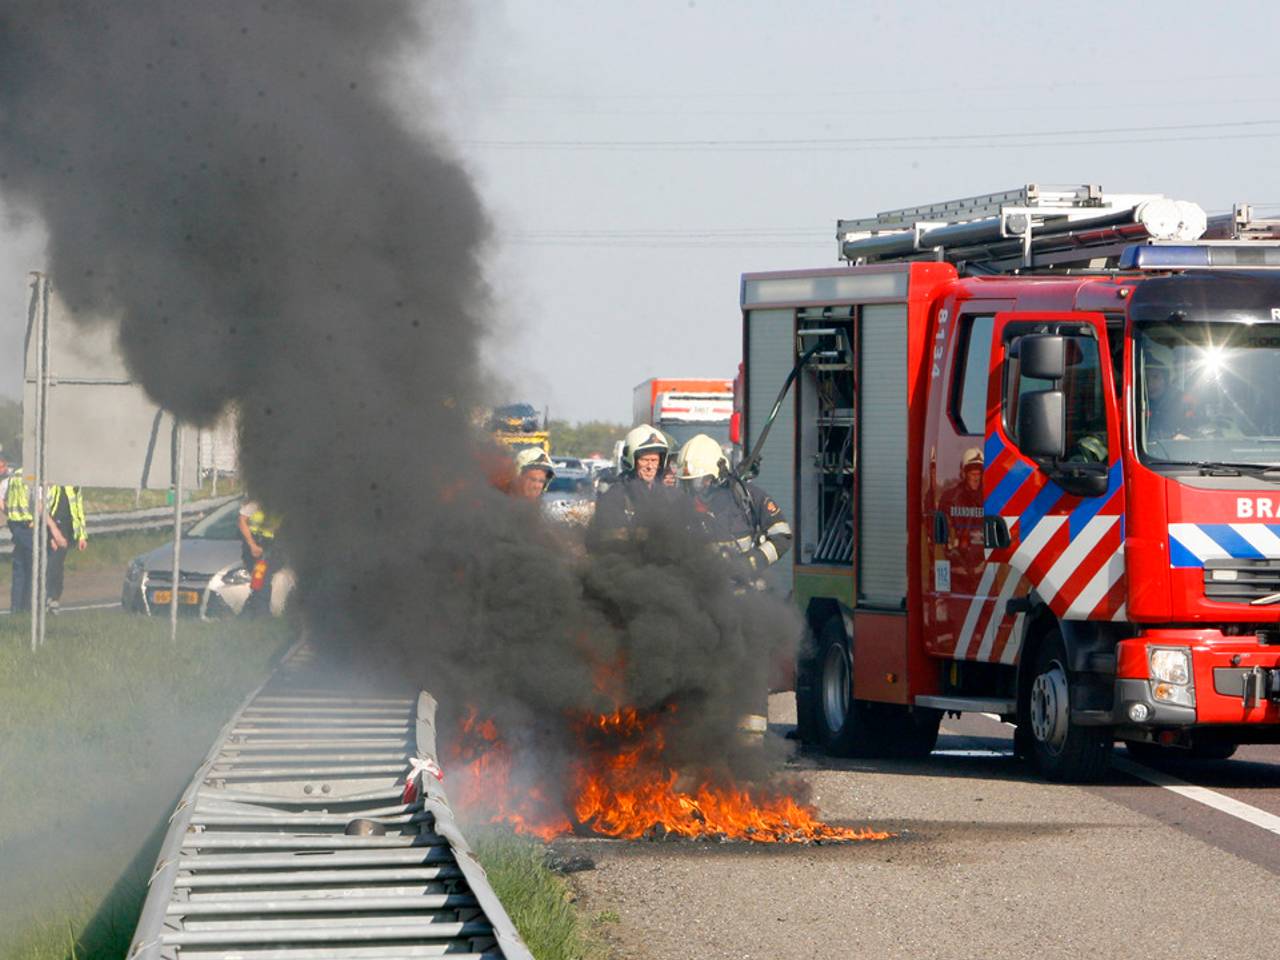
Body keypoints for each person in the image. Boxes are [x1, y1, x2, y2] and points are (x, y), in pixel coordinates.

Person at [676, 433, 792, 588]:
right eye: (687, 484)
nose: (693, 490)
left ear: (716, 476)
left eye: (697, 483)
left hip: (746, 599)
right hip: (704, 599)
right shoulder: (680, 509)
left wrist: (752, 562)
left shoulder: (745, 496)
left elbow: (783, 536)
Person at [586, 424, 673, 550]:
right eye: (644, 460)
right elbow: (611, 545)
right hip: (628, 563)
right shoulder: (615, 495)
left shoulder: (667, 495)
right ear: (632, 460)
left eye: (654, 461)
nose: (650, 467)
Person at [937, 448, 985, 594]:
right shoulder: (949, 499)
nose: (976, 478)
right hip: (956, 576)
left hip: (984, 574)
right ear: (963, 474)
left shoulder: (991, 499)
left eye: (979, 474)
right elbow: (940, 537)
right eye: (972, 474)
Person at [44, 484, 86, 613]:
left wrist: (82, 536)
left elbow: (79, 509)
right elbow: (46, 505)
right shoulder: (56, 485)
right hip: (55, 526)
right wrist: (51, 534)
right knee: (51, 564)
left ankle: (54, 597)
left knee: (58, 564)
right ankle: (48, 597)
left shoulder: (76, 486)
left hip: (68, 528)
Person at [238, 499, 281, 617]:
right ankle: (260, 614)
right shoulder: (256, 503)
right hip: (255, 545)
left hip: (270, 545)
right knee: (261, 578)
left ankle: (250, 613)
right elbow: (242, 521)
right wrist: (252, 545)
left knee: (261, 579)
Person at [5, 471, 35, 612]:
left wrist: (10, 514)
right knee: (32, 568)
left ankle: (16, 609)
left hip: (16, 525)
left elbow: (2, 497)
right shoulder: (32, 475)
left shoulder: (13, 476)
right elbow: (38, 500)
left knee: (20, 569)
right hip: (27, 525)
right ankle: (27, 608)